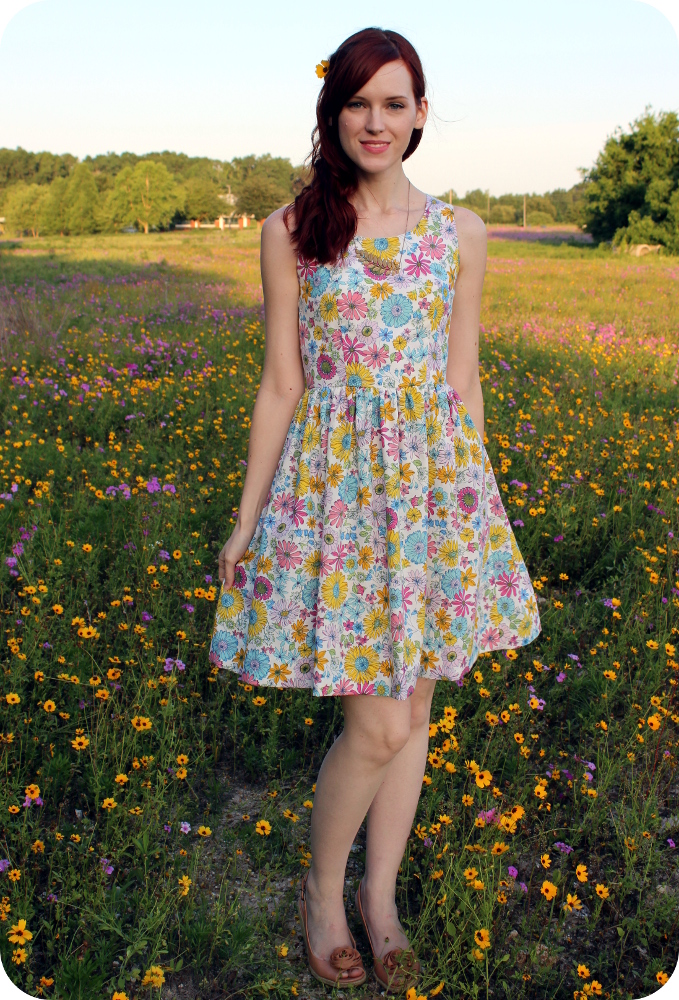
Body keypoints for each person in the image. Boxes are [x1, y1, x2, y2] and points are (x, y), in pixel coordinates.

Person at [211, 26, 542, 993]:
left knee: (417, 708)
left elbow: (462, 379)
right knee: (379, 727)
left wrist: (475, 510)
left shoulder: (459, 232)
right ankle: (322, 893)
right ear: (332, 113)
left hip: (436, 492)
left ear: (420, 113)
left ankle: (380, 897)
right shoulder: (292, 230)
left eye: (394, 103)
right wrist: (247, 516)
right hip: (336, 498)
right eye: (357, 102)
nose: (375, 121)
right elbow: (282, 383)